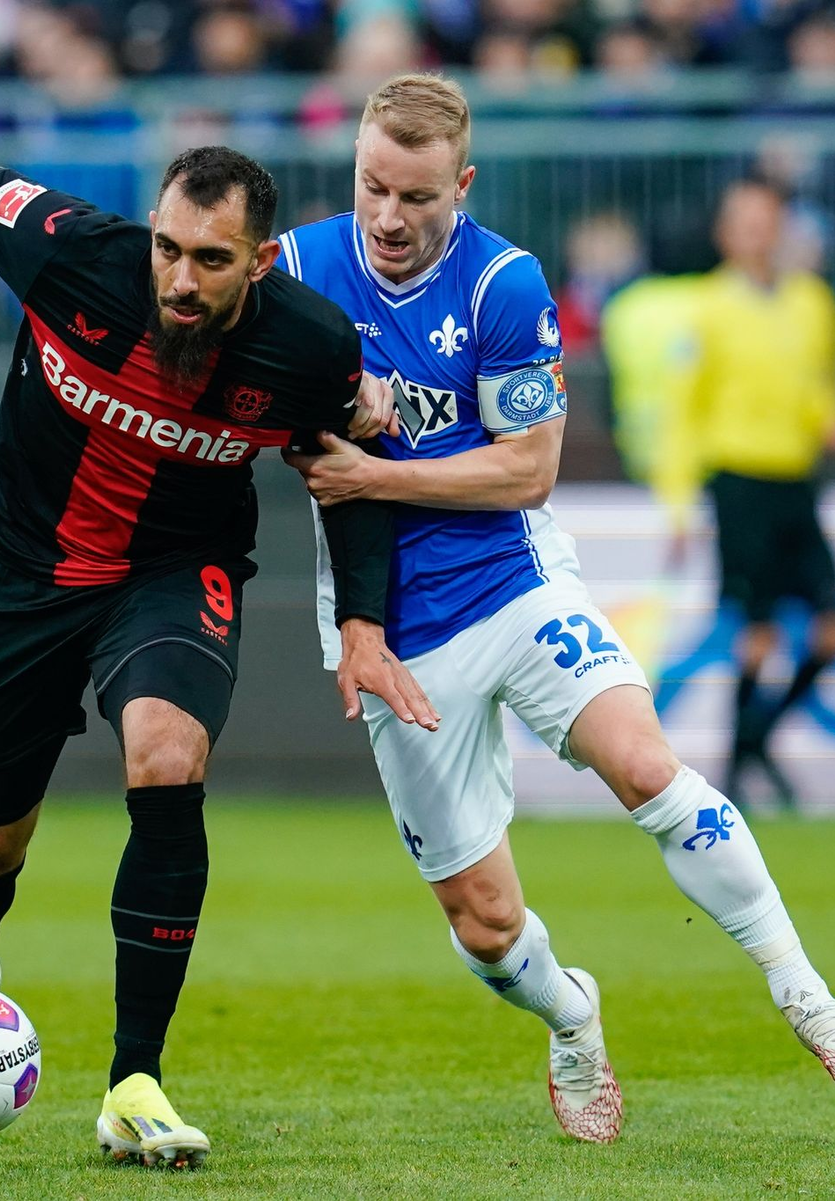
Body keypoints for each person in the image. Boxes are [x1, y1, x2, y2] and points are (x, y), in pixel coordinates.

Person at [0, 65, 438, 1168]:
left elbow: (342, 472)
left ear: (258, 263)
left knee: (166, 757)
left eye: (210, 261)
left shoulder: (309, 346)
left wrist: (365, 622)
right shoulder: (74, 252)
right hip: (23, 572)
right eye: (169, 247)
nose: (178, 276)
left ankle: (136, 1080)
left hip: (174, 572)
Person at [279, 72, 835, 1145]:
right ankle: (573, 1017)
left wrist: (373, 475)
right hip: (394, 631)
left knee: (644, 764)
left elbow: (525, 472)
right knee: (485, 926)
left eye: (418, 197)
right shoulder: (298, 268)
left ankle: (803, 988)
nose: (390, 219)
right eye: (372, 190)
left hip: (515, 583)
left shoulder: (504, 284)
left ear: (463, 185)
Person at [653, 178, 835, 809]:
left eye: (767, 219)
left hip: (795, 481)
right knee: (755, 631)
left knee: (827, 623)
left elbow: (816, 388)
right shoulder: (706, 310)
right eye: (746, 220)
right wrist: (678, 502)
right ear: (726, 233)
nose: (758, 231)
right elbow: (681, 410)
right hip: (738, 480)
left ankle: (753, 742)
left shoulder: (810, 302)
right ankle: (741, 765)